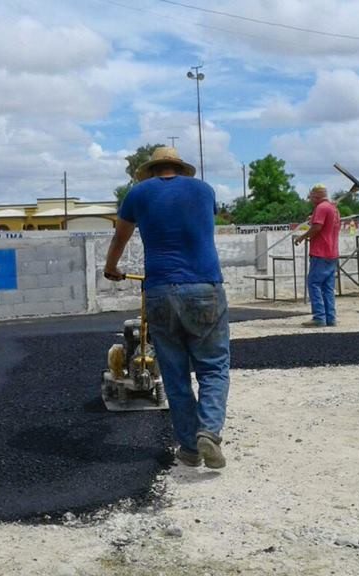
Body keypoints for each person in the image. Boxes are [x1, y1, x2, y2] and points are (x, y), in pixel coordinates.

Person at [103, 147, 230, 470]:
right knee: (213, 367)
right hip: (204, 287)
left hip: (159, 291)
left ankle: (189, 448)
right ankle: (208, 431)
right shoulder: (204, 190)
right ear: (180, 168)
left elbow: (120, 238)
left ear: (152, 170)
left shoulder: (138, 194)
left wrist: (111, 268)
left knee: (174, 374)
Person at [294, 184, 340, 327]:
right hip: (332, 253)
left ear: (317, 196)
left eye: (312, 196)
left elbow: (317, 227)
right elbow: (324, 224)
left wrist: (302, 237)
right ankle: (330, 318)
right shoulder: (333, 208)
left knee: (314, 283)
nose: (310, 199)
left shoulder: (321, 208)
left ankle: (319, 317)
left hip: (320, 252)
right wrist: (313, 218)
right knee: (327, 287)